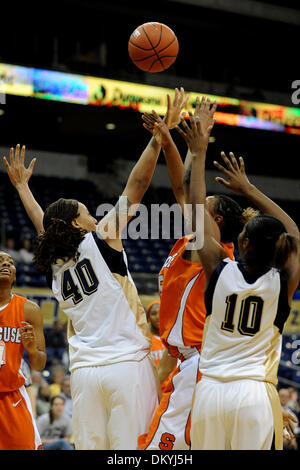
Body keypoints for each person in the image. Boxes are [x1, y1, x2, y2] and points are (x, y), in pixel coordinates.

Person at [2, 100, 185, 450]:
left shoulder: (54, 264)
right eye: (86, 213)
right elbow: (138, 185)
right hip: (126, 366)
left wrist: (23, 188)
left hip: (84, 374)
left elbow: (44, 225)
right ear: (75, 223)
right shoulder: (101, 240)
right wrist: (158, 139)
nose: (92, 217)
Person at [138, 95, 257, 450]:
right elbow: (182, 188)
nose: (192, 204)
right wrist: (171, 136)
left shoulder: (214, 254)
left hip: (200, 363)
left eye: (202, 206)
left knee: (153, 449)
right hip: (187, 362)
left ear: (216, 219)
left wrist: (192, 144)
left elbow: (188, 190)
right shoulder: (192, 244)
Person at [183, 111, 300, 450]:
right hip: (253, 393)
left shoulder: (219, 266)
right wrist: (249, 188)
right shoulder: (284, 282)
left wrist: (200, 149)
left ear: (244, 243)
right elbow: (293, 232)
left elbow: (195, 209)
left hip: (211, 392)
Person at [0, 251, 46, 450]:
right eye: (0, 261)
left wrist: (32, 351)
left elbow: (39, 364)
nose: (6, 264)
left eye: (10, 263)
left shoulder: (29, 310)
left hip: (12, 397)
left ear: (15, 275)